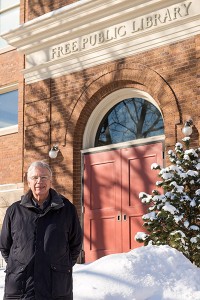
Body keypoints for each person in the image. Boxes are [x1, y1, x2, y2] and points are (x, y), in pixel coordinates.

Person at [0, 161, 83, 300]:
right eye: (35, 177)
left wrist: (62, 265)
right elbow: (5, 246)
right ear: (28, 182)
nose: (39, 181)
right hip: (21, 288)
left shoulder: (66, 209)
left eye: (44, 177)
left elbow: (75, 244)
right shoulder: (14, 211)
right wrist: (20, 265)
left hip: (56, 288)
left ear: (51, 181)